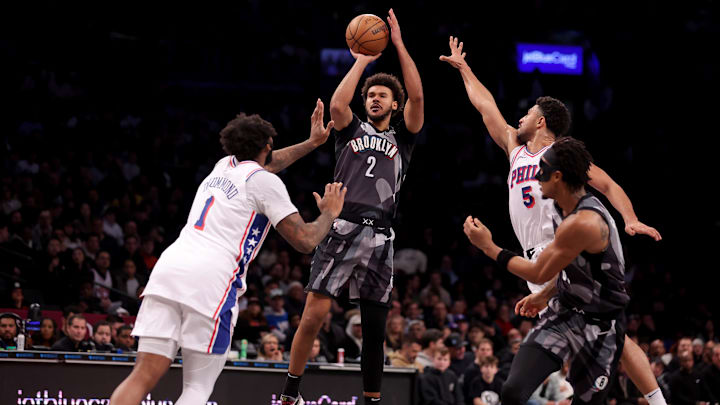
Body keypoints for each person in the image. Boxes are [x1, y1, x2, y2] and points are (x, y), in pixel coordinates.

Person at [441, 36, 666, 405]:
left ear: (541, 120)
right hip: (539, 255)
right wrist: (464, 69)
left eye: (527, 113)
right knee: (606, 337)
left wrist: (630, 219)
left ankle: (653, 400)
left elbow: (608, 183)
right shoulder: (515, 150)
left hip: (571, 247)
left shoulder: (560, 155)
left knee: (609, 334)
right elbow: (486, 107)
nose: (519, 117)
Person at [109, 100, 346, 405]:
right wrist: (329, 213)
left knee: (142, 375)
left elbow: (267, 165)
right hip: (211, 279)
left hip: (169, 268)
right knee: (196, 387)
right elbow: (305, 240)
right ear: (268, 144)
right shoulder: (265, 182)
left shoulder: (223, 166)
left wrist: (312, 143)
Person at [281, 9, 424, 405]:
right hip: (341, 226)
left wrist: (396, 44)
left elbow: (417, 95)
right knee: (313, 316)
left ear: (394, 105)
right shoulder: (350, 130)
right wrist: (362, 59)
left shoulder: (404, 138)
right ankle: (291, 390)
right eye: (371, 95)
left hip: (381, 237)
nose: (374, 98)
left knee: (375, 331)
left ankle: (372, 400)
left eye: (382, 95)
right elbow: (339, 103)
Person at [463, 138, 629, 405]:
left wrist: (489, 247)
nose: (536, 176)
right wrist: (546, 296)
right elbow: (577, 270)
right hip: (565, 313)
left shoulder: (584, 221)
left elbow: (538, 273)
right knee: (513, 391)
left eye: (542, 170)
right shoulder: (561, 209)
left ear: (558, 176)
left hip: (600, 326)